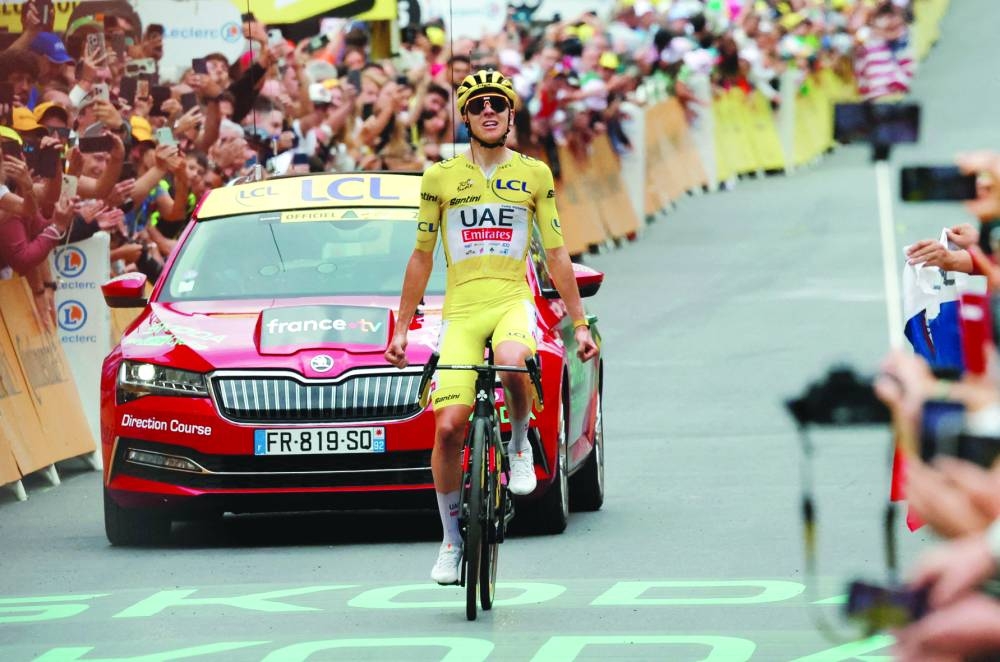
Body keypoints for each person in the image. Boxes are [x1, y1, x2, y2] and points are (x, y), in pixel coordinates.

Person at [384, 69, 599, 585]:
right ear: (465, 116)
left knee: (510, 360)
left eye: (496, 104)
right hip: (460, 309)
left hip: (510, 300)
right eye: (478, 104)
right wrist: (401, 326)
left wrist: (579, 322)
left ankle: (520, 445)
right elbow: (420, 256)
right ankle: (451, 541)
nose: (487, 111)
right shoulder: (438, 178)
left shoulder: (534, 174)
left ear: (509, 115)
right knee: (449, 427)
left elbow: (554, 253)